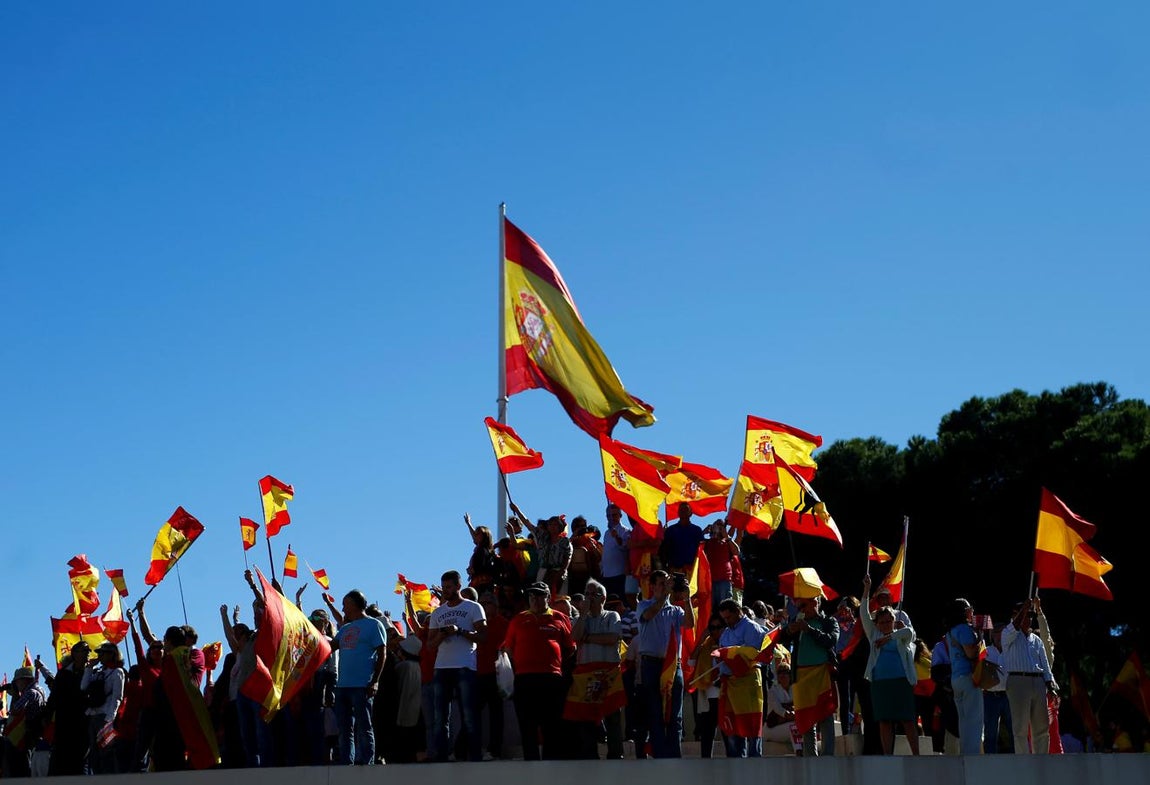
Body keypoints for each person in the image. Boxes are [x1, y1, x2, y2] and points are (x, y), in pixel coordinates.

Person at [501, 581, 576, 760]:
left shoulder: (560, 618)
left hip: (552, 679)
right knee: (527, 725)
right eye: (532, 596)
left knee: (552, 725)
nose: (535, 599)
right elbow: (509, 648)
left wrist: (555, 663)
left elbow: (570, 647)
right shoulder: (518, 619)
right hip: (525, 679)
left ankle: (551, 766)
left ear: (548, 598)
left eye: (540, 595)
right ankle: (531, 766)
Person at [428, 570, 487, 762]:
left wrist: (460, 631)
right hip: (442, 667)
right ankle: (441, 757)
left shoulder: (473, 607)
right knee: (440, 717)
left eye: (449, 587)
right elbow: (429, 646)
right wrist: (442, 634)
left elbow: (483, 636)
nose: (445, 591)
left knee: (469, 714)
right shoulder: (438, 612)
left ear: (458, 587)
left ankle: (474, 756)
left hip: (465, 666)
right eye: (444, 587)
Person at [635, 569, 695, 758]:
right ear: (652, 586)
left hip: (672, 666)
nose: (665, 587)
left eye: (666, 583)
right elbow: (649, 615)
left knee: (675, 714)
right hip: (651, 665)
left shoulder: (676, 610)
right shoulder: (643, 605)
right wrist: (665, 596)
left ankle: (674, 755)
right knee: (655, 711)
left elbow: (690, 623)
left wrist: (687, 599)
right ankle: (660, 755)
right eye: (661, 583)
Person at [859, 574, 919, 755]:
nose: (886, 624)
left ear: (894, 621)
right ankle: (887, 755)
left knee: (908, 720)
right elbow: (863, 612)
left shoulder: (901, 636)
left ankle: (916, 754)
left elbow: (910, 632)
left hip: (901, 681)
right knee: (884, 720)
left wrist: (890, 636)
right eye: (882, 622)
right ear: (876, 623)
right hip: (880, 683)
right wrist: (867, 590)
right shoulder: (874, 635)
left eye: (889, 621)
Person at [567, 579, 624, 759]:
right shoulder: (579, 618)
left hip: (609, 673)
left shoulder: (612, 616)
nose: (590, 598)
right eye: (587, 594)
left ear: (603, 598)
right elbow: (575, 637)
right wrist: (583, 616)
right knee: (587, 718)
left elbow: (612, 638)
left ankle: (615, 755)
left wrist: (589, 637)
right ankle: (589, 756)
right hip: (586, 674)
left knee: (613, 716)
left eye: (594, 594)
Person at [333, 589, 388, 765]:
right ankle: (346, 762)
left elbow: (382, 653)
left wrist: (375, 681)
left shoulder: (373, 625)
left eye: (345, 604)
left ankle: (366, 762)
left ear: (356, 605)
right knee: (344, 728)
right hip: (342, 686)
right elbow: (330, 646)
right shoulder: (345, 628)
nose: (343, 609)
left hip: (362, 685)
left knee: (364, 726)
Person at [786, 591, 839, 757]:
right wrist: (789, 631)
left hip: (821, 673)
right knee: (805, 719)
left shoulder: (828, 621)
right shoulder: (797, 622)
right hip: (801, 676)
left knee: (825, 715)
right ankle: (810, 757)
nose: (802, 608)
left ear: (816, 602)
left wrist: (809, 630)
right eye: (799, 605)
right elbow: (782, 640)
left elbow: (831, 640)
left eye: (804, 604)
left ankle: (827, 755)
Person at [1002, 598, 1056, 754]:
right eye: (1025, 614)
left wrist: (1050, 684)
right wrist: (1022, 610)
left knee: (1042, 726)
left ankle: (1041, 759)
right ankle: (1023, 760)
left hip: (1038, 682)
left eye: (1030, 615)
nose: (1029, 618)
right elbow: (1013, 628)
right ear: (1015, 615)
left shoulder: (1036, 640)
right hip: (1017, 682)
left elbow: (1045, 664)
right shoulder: (1008, 634)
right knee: (1020, 727)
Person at [716, 598, 766, 757]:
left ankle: (754, 761)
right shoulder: (726, 632)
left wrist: (734, 656)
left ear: (738, 612)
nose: (727, 622)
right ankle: (737, 760)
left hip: (748, 681)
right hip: (730, 684)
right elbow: (722, 653)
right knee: (734, 724)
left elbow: (753, 656)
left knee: (751, 724)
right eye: (724, 619)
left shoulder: (752, 628)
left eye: (728, 617)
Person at [43, 642, 92, 776]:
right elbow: (53, 698)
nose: (88, 653)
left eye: (88, 650)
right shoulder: (63, 674)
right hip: (63, 726)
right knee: (58, 765)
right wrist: (47, 718)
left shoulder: (92, 673)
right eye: (84, 650)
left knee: (80, 765)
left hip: (82, 725)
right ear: (74, 653)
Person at [81, 641, 126, 773]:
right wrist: (89, 668)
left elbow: (117, 696)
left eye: (102, 653)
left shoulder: (117, 672)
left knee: (106, 751)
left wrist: (110, 719)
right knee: (94, 752)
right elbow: (83, 687)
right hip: (92, 715)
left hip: (105, 717)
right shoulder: (97, 672)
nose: (99, 655)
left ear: (112, 655)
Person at [946, 598, 984, 754]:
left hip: (956, 678)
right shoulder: (965, 629)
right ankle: (973, 755)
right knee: (975, 719)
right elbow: (971, 653)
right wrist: (980, 638)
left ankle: (965, 753)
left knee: (963, 720)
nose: (972, 611)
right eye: (970, 608)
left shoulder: (951, 631)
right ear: (965, 611)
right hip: (969, 678)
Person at [1, 667, 47, 778]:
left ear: (24, 680)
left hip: (26, 733)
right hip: (34, 732)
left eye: (17, 681)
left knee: (19, 763)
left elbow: (15, 711)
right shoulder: (40, 690)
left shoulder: (30, 693)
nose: (16, 684)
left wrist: (15, 695)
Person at [689, 616, 724, 758]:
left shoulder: (728, 642)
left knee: (727, 732)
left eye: (718, 627)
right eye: (712, 628)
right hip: (707, 693)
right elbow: (691, 662)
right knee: (707, 732)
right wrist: (702, 639)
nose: (715, 631)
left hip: (723, 692)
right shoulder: (705, 645)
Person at [983, 624, 1012, 753]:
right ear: (992, 635)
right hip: (990, 697)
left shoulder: (1011, 650)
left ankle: (1017, 759)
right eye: (996, 632)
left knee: (1014, 731)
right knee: (990, 732)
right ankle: (990, 761)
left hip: (1009, 695)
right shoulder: (986, 651)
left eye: (1001, 631)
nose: (999, 635)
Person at [660, 503, 705, 575]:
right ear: (678, 513)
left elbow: (701, 550)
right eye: (681, 509)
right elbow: (664, 549)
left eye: (686, 509)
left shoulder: (697, 530)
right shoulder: (670, 530)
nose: (683, 511)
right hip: (673, 569)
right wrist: (665, 566)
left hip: (691, 570)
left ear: (691, 513)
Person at [704, 520, 740, 609]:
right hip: (709, 580)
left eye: (721, 525)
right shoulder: (707, 542)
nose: (719, 527)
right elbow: (695, 545)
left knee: (725, 608)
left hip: (724, 580)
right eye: (717, 524)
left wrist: (727, 536)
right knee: (710, 609)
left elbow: (736, 551)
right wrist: (703, 532)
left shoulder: (727, 542)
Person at [764, 663, 799, 752]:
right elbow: (779, 710)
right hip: (772, 728)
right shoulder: (773, 691)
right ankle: (799, 752)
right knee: (795, 726)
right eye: (780, 673)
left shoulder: (794, 689)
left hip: (789, 723)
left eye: (785, 672)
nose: (782, 675)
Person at [601, 504, 631, 599]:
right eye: (609, 516)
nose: (611, 518)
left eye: (614, 515)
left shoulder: (625, 531)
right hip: (606, 574)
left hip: (619, 574)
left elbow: (625, 547)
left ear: (620, 515)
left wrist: (617, 537)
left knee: (619, 599)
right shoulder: (606, 533)